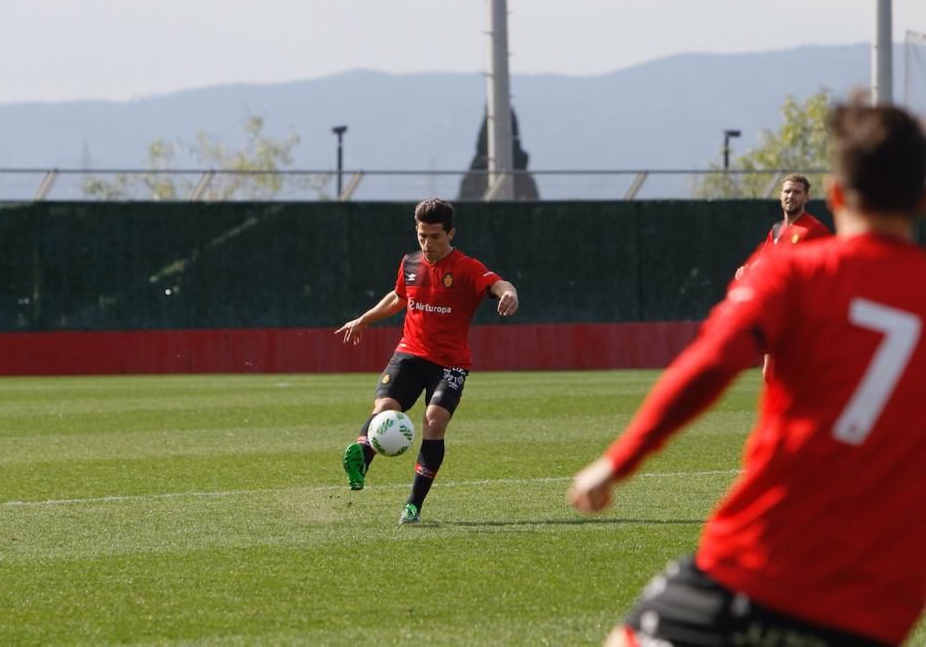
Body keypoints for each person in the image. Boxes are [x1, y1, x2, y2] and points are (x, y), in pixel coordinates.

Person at [568, 100, 926, 646]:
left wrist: (619, 460)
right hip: (878, 614)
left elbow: (709, 363)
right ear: (921, 198)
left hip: (756, 570)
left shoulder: (796, 275)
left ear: (832, 195)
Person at [335, 197, 518, 525]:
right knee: (384, 409)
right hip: (409, 353)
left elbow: (497, 283)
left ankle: (413, 506)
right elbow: (398, 298)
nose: (427, 243)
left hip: (450, 363)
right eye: (422, 236)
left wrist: (510, 293)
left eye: (435, 236)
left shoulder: (466, 268)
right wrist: (363, 319)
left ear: (450, 233)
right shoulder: (410, 263)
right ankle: (360, 461)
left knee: (434, 420)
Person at [734, 173, 831, 282]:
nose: (790, 196)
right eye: (787, 191)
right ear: (781, 195)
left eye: (797, 192)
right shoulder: (776, 229)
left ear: (806, 197)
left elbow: (828, 271)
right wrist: (747, 271)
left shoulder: (815, 229)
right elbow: (764, 260)